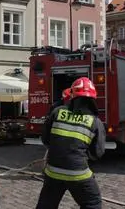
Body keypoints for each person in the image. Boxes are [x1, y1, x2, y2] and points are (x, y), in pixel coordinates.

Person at [36, 77, 106, 209]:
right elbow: (97, 153)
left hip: (53, 172)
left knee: (46, 205)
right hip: (78, 174)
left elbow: (45, 139)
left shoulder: (57, 112)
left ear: (72, 96)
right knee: (93, 203)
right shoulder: (95, 122)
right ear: (93, 99)